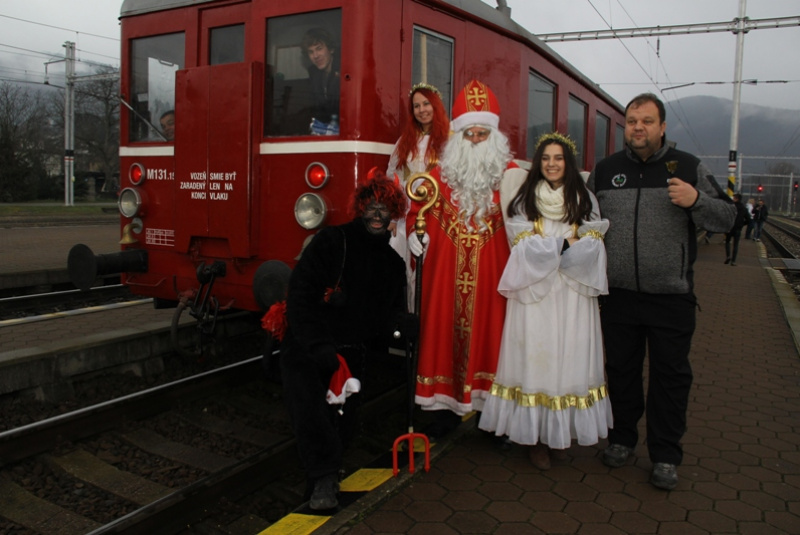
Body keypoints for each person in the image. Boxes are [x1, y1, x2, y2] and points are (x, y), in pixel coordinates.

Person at [587, 93, 735, 490]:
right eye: (632, 121)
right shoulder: (605, 171)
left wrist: (696, 200)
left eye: (647, 121)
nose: (638, 127)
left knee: (670, 378)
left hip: (671, 297)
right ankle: (621, 439)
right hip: (618, 296)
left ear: (662, 127)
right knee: (621, 373)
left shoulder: (688, 167)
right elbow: (583, 221)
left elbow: (729, 218)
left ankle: (666, 455)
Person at [279, 169, 412, 510]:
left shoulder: (394, 264)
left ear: (394, 215)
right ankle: (324, 477)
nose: (378, 215)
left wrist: (403, 326)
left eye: (386, 209)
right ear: (360, 208)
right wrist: (318, 345)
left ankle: (325, 473)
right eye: (372, 207)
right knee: (310, 405)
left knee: (344, 416)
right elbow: (300, 296)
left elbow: (387, 319)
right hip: (309, 342)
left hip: (353, 350)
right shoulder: (332, 241)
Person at [478, 132, 611, 470]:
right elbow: (522, 246)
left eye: (559, 158)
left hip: (572, 294)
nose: (552, 164)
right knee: (537, 361)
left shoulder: (584, 199)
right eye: (547, 158)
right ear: (539, 163)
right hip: (535, 294)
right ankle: (535, 439)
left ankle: (558, 434)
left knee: (568, 360)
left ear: (568, 162)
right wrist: (565, 245)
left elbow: (595, 242)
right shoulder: (524, 200)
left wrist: (555, 248)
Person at [407, 79, 523, 437]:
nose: (474, 140)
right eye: (468, 133)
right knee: (443, 338)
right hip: (446, 280)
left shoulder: (512, 177)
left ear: (494, 135)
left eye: (481, 134)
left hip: (494, 282)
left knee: (495, 344)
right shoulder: (440, 175)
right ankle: (444, 412)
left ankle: (496, 423)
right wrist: (414, 233)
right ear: (457, 135)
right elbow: (417, 212)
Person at [386, 83, 450, 309]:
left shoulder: (450, 141)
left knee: (431, 272)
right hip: (406, 218)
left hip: (437, 217)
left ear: (436, 106)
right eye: (416, 106)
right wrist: (393, 216)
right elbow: (392, 179)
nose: (422, 110)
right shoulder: (405, 141)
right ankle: (408, 320)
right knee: (402, 269)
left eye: (426, 104)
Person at [302, 27, 340, 134]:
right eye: (311, 52)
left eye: (319, 49)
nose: (315, 56)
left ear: (331, 49)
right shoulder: (314, 74)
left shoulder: (344, 70)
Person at [724, 193, 750, 266]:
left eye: (734, 198)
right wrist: (742, 224)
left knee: (727, 242)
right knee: (736, 245)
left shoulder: (731, 207)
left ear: (736, 199)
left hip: (730, 227)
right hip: (738, 228)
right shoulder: (743, 208)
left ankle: (728, 256)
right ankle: (733, 261)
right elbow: (748, 219)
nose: (733, 199)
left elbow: (726, 216)